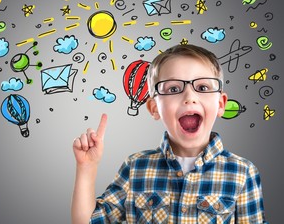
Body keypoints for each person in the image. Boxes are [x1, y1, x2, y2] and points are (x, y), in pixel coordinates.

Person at [71, 44, 267, 223]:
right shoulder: (135, 167)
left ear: (221, 104)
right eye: (174, 88)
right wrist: (86, 168)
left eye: (202, 87)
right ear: (154, 108)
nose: (190, 97)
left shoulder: (243, 173)